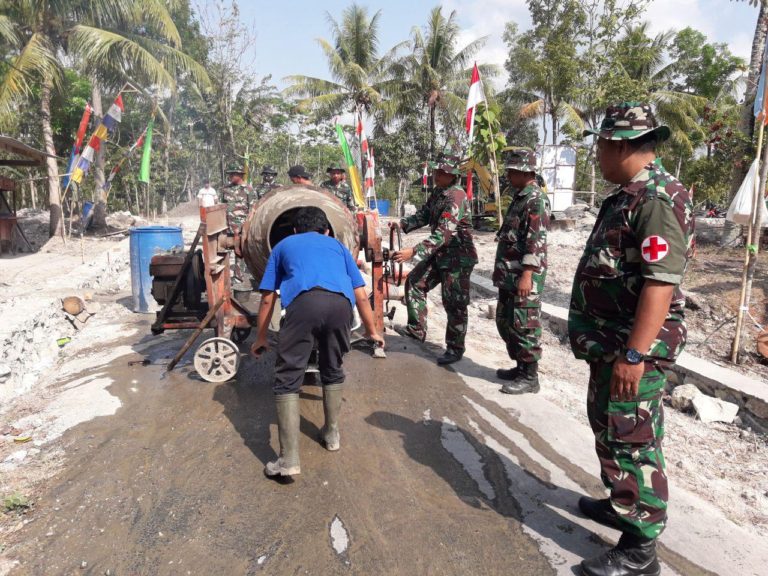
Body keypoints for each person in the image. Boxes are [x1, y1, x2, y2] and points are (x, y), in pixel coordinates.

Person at [569, 103, 694, 576]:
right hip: (611, 345)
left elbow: (660, 284)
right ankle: (621, 502)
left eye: (601, 145)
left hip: (632, 349)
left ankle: (640, 549)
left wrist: (635, 354)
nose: (597, 155)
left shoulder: (656, 198)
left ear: (621, 145)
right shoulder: (629, 194)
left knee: (632, 439)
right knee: (608, 428)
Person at [252, 206, 384, 480]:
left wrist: (261, 337)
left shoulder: (283, 245)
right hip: (340, 306)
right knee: (332, 367)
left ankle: (289, 459)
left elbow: (268, 297)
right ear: (326, 230)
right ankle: (332, 434)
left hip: (304, 303)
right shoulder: (337, 247)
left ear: (296, 230)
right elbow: (360, 294)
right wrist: (373, 331)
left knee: (288, 376)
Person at [391, 147, 478, 366]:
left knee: (454, 302)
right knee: (415, 283)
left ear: (452, 174)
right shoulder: (439, 192)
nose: (436, 175)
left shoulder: (456, 195)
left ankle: (455, 348)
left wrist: (414, 252)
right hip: (441, 254)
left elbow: (443, 233)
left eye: (441, 172)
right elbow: (425, 214)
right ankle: (416, 330)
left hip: (457, 257)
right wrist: (403, 224)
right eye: (436, 171)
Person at [493, 147, 550, 394]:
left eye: (512, 171)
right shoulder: (520, 197)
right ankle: (520, 365)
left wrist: (527, 275)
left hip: (524, 276)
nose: (508, 175)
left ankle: (530, 376)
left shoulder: (536, 200)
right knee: (506, 321)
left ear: (524, 171)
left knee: (524, 324)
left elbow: (535, 241)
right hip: (510, 274)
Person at [221, 163, 255, 282]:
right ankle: (223, 277)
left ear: (239, 175)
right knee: (223, 250)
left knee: (240, 252)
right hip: (227, 225)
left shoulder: (248, 190)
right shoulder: (225, 189)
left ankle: (239, 276)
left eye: (233, 174)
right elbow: (221, 207)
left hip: (242, 227)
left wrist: (246, 226)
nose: (230, 176)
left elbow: (252, 209)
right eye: (229, 174)